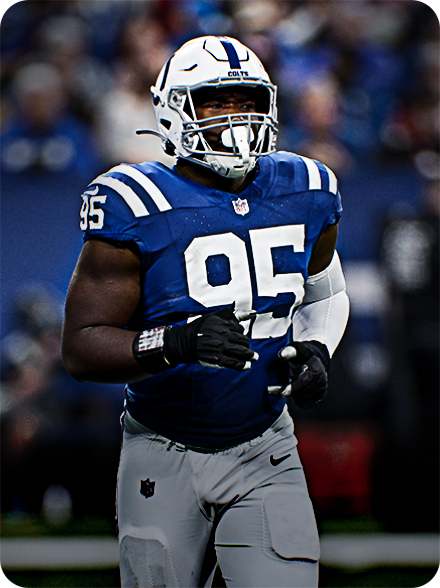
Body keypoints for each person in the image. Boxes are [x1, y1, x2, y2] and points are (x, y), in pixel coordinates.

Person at [61, 36, 350, 588]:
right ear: (174, 109)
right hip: (162, 446)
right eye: (216, 101)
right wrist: (177, 342)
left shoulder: (307, 187)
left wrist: (317, 346)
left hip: (266, 443)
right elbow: (82, 347)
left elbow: (325, 292)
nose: (236, 117)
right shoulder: (135, 202)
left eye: (247, 101)